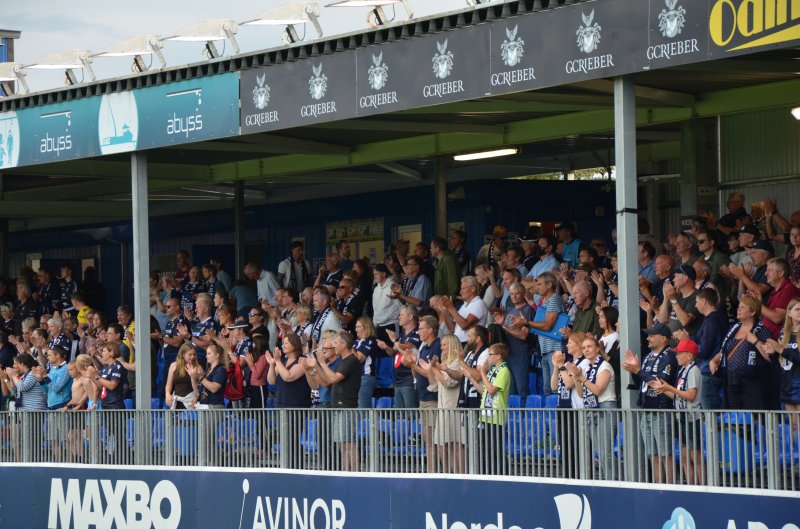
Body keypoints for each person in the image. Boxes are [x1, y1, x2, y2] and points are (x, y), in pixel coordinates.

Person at [622, 323, 678, 484]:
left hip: (661, 409)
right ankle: (658, 486)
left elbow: (660, 382)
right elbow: (641, 381)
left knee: (664, 453)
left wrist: (638, 371)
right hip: (646, 408)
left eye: (652, 335)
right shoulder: (648, 356)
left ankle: (670, 486)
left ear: (663, 338)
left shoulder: (669, 356)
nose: (648, 338)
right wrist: (635, 372)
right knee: (652, 453)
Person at [649, 338, 705, 486]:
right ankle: (691, 486)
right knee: (686, 456)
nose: (677, 356)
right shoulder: (682, 370)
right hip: (682, 418)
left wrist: (669, 388)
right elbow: (678, 395)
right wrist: (663, 389)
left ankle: (703, 486)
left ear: (690, 356)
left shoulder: (694, 370)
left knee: (695, 456)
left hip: (692, 418)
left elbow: (691, 396)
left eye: (680, 353)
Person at [306, 330, 362, 471]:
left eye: (336, 343)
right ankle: (345, 471)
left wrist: (321, 363)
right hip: (338, 406)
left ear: (344, 344)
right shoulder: (345, 360)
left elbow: (333, 379)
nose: (334, 346)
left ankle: (354, 472)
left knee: (349, 442)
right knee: (341, 443)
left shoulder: (351, 360)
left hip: (347, 406)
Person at [565, 335, 617, 480]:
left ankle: (613, 482)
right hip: (592, 408)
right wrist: (576, 378)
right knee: (599, 450)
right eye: (584, 348)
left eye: (589, 347)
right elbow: (581, 394)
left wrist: (581, 378)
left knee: (605, 451)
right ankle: (609, 480)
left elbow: (598, 390)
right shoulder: (587, 368)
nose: (586, 350)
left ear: (597, 348)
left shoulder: (605, 366)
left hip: (606, 407)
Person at [710, 295, 774, 410]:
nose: (738, 309)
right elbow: (724, 350)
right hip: (732, 380)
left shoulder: (763, 331)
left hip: (752, 382)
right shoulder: (733, 328)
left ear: (753, 311)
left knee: (752, 419)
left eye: (742, 307)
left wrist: (756, 341)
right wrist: (713, 361)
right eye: (739, 306)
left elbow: (771, 358)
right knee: (735, 418)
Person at [678, 288, 728, 410]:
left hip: (709, 371)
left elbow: (704, 350)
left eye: (697, 301)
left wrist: (687, 341)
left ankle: (713, 430)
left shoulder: (712, 321)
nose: (695, 305)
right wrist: (689, 337)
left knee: (709, 412)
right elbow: (702, 339)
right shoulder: (720, 317)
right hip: (716, 370)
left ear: (704, 301)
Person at [267, 333, 312, 468]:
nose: (283, 345)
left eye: (286, 343)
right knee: (285, 439)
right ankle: (287, 466)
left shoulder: (301, 361)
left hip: (296, 406)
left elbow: (289, 377)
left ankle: (296, 467)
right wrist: (271, 364)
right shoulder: (283, 361)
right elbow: (271, 380)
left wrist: (278, 361)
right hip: (281, 404)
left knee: (292, 438)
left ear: (294, 345)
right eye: (283, 342)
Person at [404, 314, 441, 473]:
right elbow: (418, 374)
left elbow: (433, 374)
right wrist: (412, 365)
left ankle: (435, 471)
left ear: (431, 330)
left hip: (433, 398)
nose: (418, 332)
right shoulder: (423, 347)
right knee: (427, 439)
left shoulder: (437, 346)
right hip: (423, 397)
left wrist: (414, 365)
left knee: (433, 439)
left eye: (421, 329)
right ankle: (431, 470)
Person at [423, 334, 464, 474]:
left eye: (445, 345)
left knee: (454, 444)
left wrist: (435, 368)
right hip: (442, 409)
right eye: (442, 345)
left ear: (452, 346)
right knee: (442, 443)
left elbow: (448, 383)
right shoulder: (443, 364)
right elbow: (433, 385)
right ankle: (449, 473)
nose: (442, 347)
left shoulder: (458, 362)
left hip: (453, 408)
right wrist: (430, 369)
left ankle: (460, 475)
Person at [763, 298, 800, 443]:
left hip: (798, 385)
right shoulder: (784, 334)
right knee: (793, 426)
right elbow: (780, 363)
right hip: (786, 386)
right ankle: (795, 461)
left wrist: (781, 349)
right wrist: (771, 353)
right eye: (797, 309)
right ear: (789, 313)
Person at [494, 282, 534, 400]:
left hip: (521, 354)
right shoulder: (510, 311)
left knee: (522, 390)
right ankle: (513, 418)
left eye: (517, 294)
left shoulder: (527, 310)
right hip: (508, 355)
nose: (514, 296)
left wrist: (504, 327)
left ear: (522, 294)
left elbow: (523, 335)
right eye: (511, 294)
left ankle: (524, 417)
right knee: (511, 392)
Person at [475, 343, 511, 474]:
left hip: (496, 417)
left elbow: (491, 390)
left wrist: (482, 373)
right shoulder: (493, 371)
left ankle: (502, 475)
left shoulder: (504, 370)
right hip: (486, 416)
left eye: (491, 355)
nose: (488, 358)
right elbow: (483, 390)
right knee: (485, 449)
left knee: (496, 449)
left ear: (499, 356)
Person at [442, 276, 488, 343]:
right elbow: (452, 329)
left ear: (473, 289)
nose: (461, 292)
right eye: (461, 289)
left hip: (469, 343)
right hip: (458, 343)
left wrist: (451, 308)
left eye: (463, 288)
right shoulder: (464, 305)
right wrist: (445, 311)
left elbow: (464, 325)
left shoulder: (479, 303)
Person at [353, 316, 381, 408]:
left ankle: (367, 423)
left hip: (365, 377)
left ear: (366, 327)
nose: (355, 329)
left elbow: (359, 359)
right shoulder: (356, 342)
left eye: (358, 327)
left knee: (362, 408)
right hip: (354, 378)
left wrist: (348, 344)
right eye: (356, 327)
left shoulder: (370, 340)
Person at [164, 343, 201, 410]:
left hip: (191, 400)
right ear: (183, 354)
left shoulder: (198, 367)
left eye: (194, 354)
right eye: (190, 355)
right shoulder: (173, 366)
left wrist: (196, 396)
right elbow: (169, 384)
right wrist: (167, 394)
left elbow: (200, 387)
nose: (192, 357)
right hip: (176, 400)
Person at [193, 343, 228, 409]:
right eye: (206, 354)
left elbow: (214, 388)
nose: (206, 356)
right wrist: (193, 377)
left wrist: (200, 377)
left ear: (217, 355)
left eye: (209, 354)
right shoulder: (208, 370)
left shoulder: (221, 370)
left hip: (214, 407)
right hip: (204, 406)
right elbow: (199, 389)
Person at [244, 334, 270, 409]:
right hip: (253, 386)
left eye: (254, 343)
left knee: (260, 411)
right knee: (254, 411)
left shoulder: (263, 357)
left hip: (260, 387)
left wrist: (250, 363)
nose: (252, 344)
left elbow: (257, 374)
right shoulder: (259, 356)